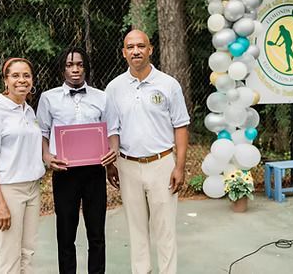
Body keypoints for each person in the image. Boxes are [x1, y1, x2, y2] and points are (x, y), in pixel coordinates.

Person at [105, 29, 190, 274]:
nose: (136, 51)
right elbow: (113, 129)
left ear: (150, 49)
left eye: (141, 46)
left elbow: (180, 125)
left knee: (165, 229)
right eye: (130, 47)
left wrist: (179, 166)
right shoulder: (114, 88)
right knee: (137, 229)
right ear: (123, 53)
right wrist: (112, 163)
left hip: (162, 164)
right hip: (127, 165)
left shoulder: (168, 84)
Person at [36, 47, 117, 274]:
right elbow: (41, 132)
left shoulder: (102, 97)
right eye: (70, 65)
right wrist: (46, 156)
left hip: (94, 171)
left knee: (96, 234)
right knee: (65, 233)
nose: (75, 69)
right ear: (63, 69)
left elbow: (112, 130)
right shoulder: (48, 98)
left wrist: (113, 154)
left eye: (79, 65)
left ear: (86, 67)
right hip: (64, 172)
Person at [0, 57, 46, 273]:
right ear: (5, 80)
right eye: (15, 75)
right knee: (10, 256)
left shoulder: (29, 111)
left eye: (26, 75)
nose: (21, 80)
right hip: (8, 191)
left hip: (32, 189)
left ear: (32, 80)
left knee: (27, 253)